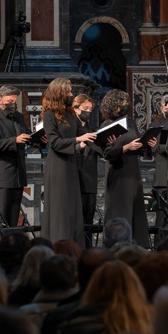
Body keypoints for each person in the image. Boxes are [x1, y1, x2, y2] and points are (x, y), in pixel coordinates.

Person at [41, 77, 96, 247]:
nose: (71, 94)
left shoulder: (70, 113)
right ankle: (59, 245)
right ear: (59, 93)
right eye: (69, 91)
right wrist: (77, 140)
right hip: (58, 165)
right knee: (61, 207)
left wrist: (104, 140)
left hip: (72, 164)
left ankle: (74, 246)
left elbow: (84, 133)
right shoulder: (50, 114)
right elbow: (55, 142)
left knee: (73, 207)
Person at [101, 89, 156, 249]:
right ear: (114, 105)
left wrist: (146, 145)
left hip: (133, 171)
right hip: (118, 173)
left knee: (135, 209)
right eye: (122, 102)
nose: (126, 105)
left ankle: (136, 245)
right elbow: (107, 153)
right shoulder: (106, 125)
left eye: (126, 102)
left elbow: (138, 146)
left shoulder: (130, 123)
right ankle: (117, 244)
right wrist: (126, 147)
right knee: (119, 209)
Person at [0, 85, 31, 227]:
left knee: (14, 218)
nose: (13, 105)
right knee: (0, 217)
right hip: (2, 175)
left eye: (14, 102)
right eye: (10, 101)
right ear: (0, 100)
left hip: (18, 175)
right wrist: (15, 140)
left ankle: (10, 246)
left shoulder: (19, 117)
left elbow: (26, 134)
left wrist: (36, 138)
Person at [71, 94, 101, 244]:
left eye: (90, 109)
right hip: (75, 176)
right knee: (76, 218)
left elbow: (101, 150)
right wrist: (80, 145)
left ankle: (88, 247)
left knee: (89, 216)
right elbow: (61, 147)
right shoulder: (71, 127)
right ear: (76, 109)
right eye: (85, 108)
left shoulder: (92, 128)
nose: (88, 112)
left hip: (90, 178)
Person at [149, 95, 168, 191]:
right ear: (162, 109)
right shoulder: (155, 125)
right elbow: (153, 147)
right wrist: (158, 146)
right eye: (167, 108)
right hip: (163, 172)